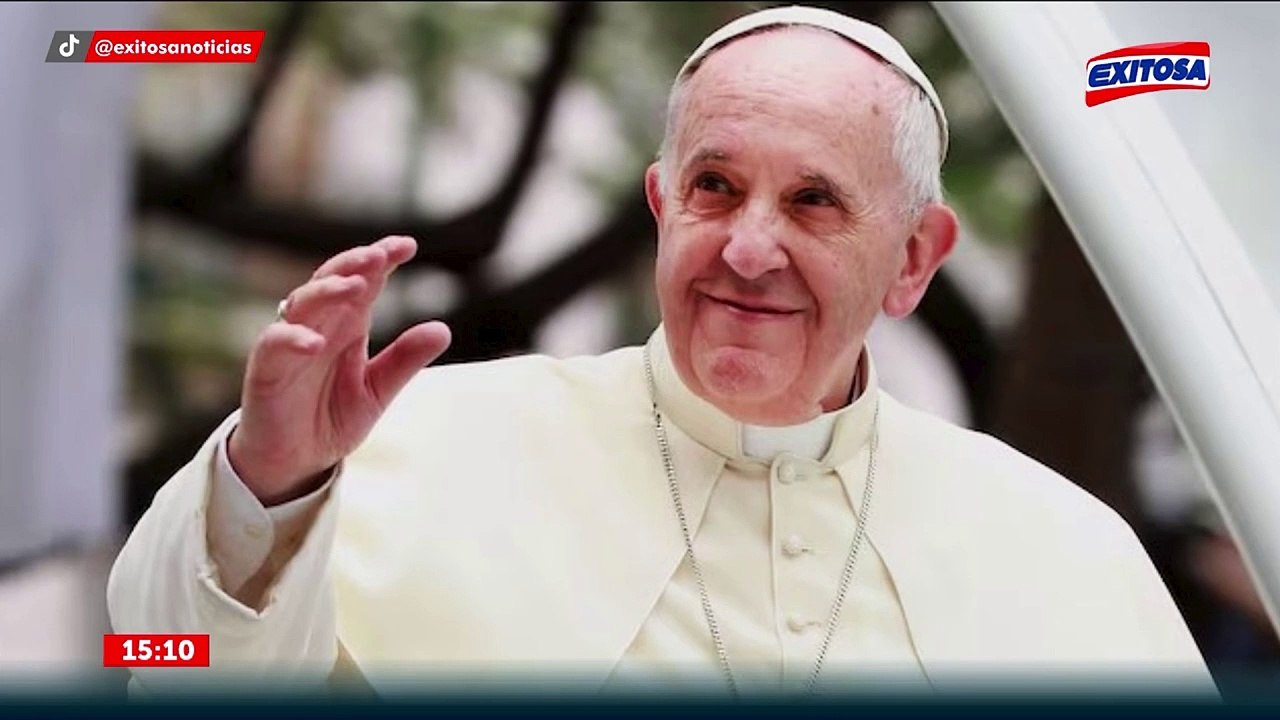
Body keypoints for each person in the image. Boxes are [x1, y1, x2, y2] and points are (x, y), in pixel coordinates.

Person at [107, 5, 1216, 699]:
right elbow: (164, 667)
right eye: (715, 187)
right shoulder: (407, 448)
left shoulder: (1065, 549)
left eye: (814, 202)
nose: (746, 248)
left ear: (914, 257)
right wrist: (266, 488)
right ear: (659, 204)